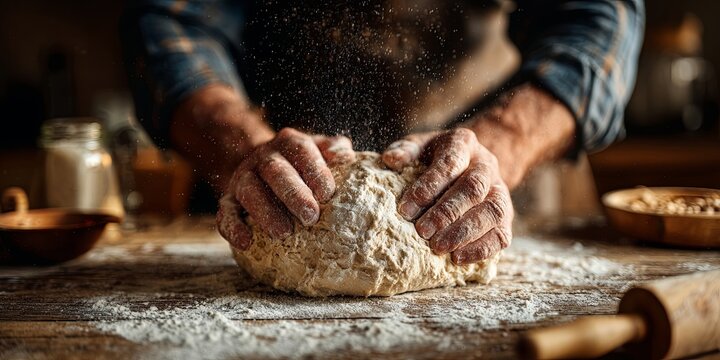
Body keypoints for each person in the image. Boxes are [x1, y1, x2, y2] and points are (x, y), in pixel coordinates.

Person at [121, 0, 644, 265]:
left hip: (496, 177)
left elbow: (600, 16)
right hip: (274, 184)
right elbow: (171, 17)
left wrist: (502, 141)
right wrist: (241, 143)